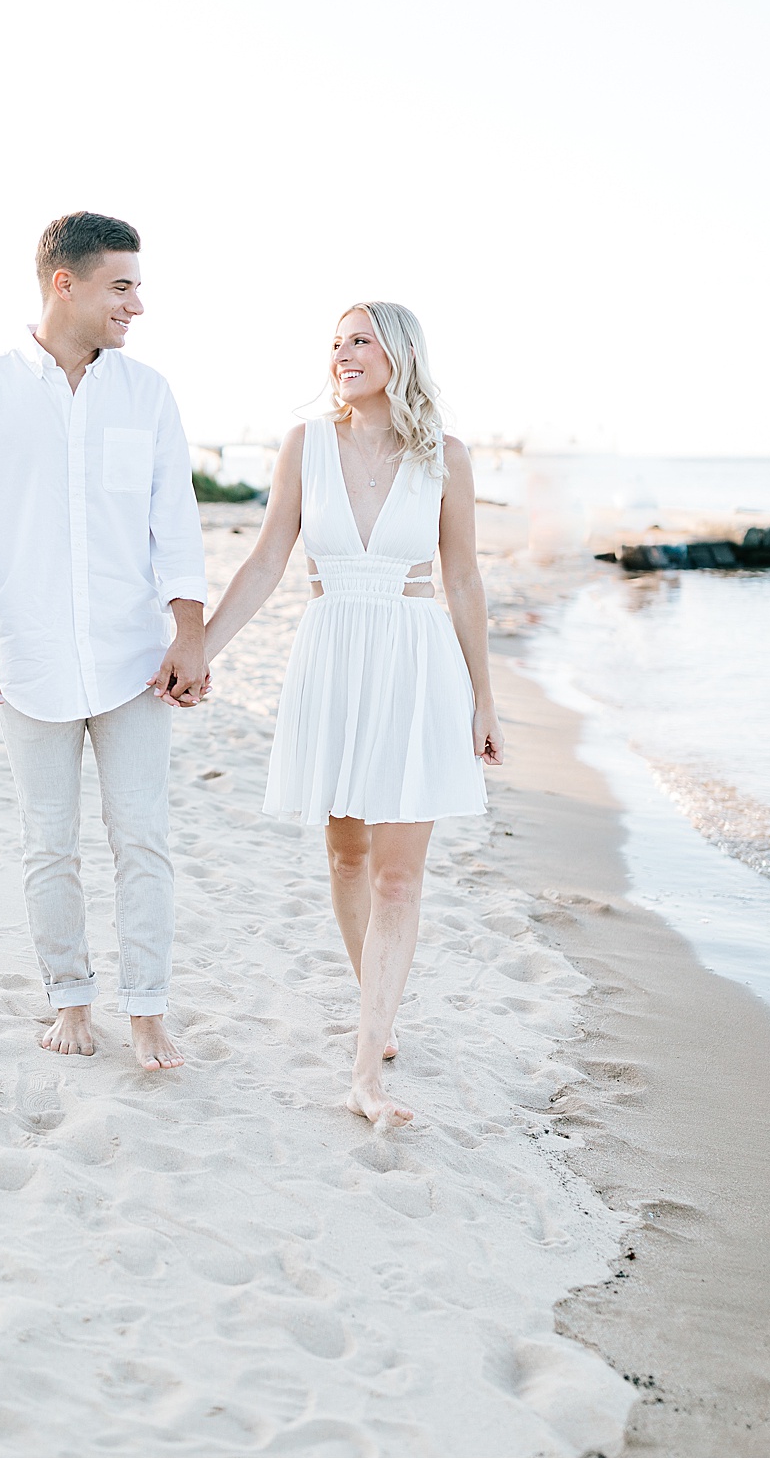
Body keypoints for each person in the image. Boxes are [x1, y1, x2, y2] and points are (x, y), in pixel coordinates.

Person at [204, 301, 504, 1125]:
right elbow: (268, 558)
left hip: (414, 662)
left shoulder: (447, 458)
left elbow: (465, 581)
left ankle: (367, 1068)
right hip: (333, 656)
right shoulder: (306, 447)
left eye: (360, 339)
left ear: (400, 352)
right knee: (345, 855)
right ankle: (380, 1000)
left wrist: (485, 699)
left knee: (399, 873)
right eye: (335, 343)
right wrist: (201, 650)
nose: (343, 354)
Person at [0, 212, 209, 1072]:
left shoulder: (147, 394)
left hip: (133, 660)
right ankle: (70, 998)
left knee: (142, 836)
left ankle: (149, 1009)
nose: (137, 305)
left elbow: (176, 523)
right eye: (122, 286)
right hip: (29, 656)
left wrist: (190, 635)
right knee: (48, 840)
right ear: (67, 285)